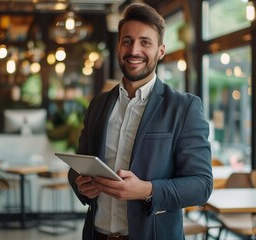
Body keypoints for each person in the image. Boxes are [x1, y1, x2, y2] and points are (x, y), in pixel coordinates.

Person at [67, 3, 213, 240]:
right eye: (127, 41)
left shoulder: (184, 107)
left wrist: (147, 190)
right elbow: (78, 166)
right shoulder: (98, 104)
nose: (134, 50)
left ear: (161, 51)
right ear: (118, 46)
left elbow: (201, 185)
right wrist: (80, 184)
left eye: (145, 42)